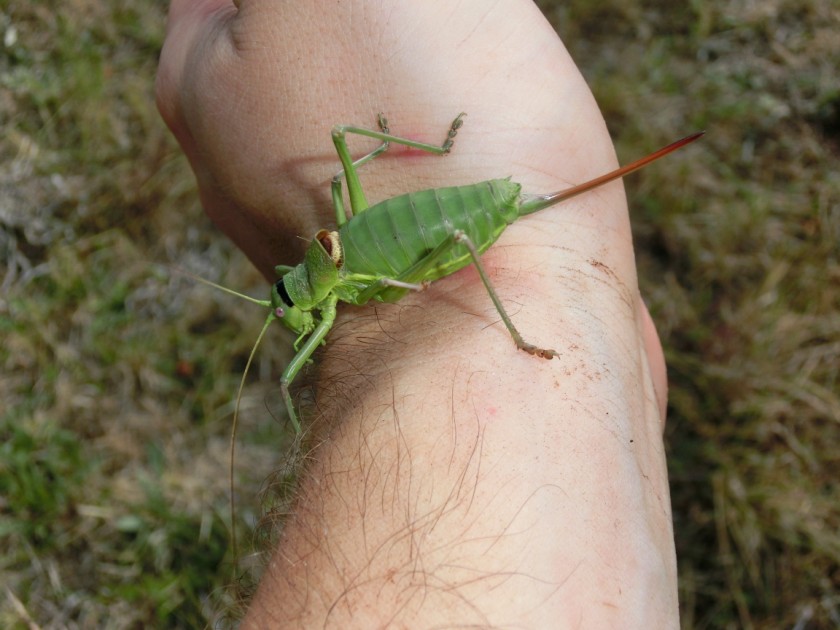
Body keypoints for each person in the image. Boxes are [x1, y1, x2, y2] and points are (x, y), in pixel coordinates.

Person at [157, 1, 679, 626]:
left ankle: (512, 323)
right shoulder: (311, 277)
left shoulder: (323, 297)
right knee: (341, 169)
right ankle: (430, 154)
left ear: (301, 292)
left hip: (425, 237)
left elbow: (303, 364)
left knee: (404, 238)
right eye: (285, 302)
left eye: (288, 302)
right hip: (373, 237)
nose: (289, 314)